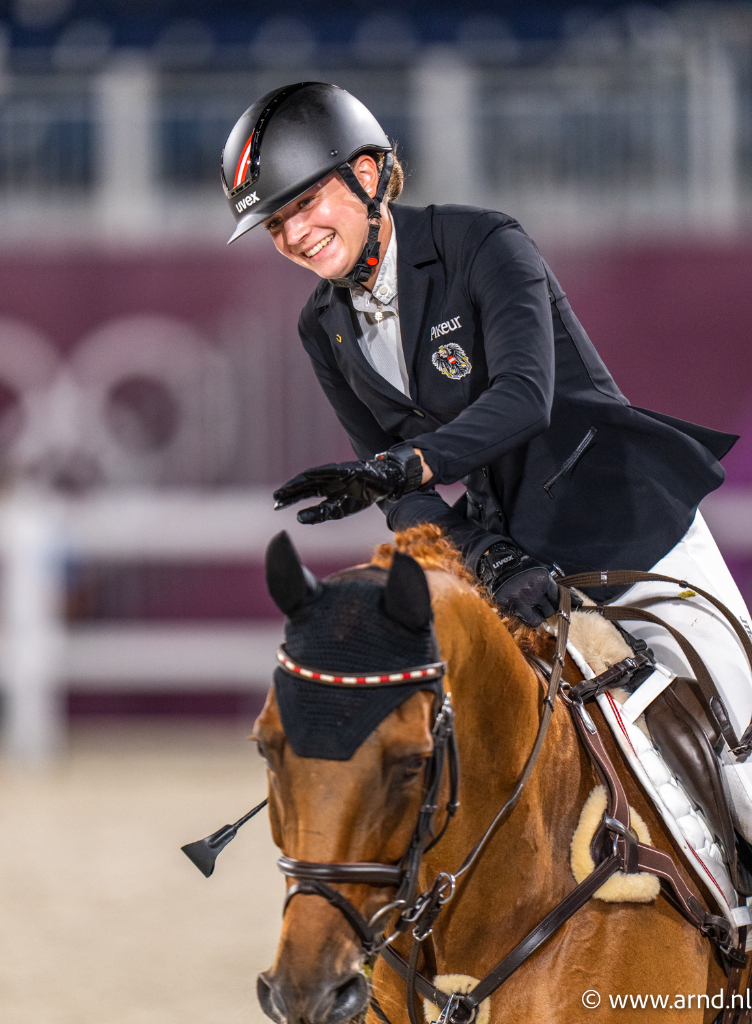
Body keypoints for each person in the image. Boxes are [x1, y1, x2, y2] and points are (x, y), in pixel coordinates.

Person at [221, 81, 752, 835]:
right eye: (275, 223)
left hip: (627, 520)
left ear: (366, 177)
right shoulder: (323, 326)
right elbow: (398, 493)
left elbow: (524, 398)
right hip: (515, 552)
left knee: (745, 755)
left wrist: (401, 468)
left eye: (303, 204)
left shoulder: (482, 243)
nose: (294, 234)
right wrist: (487, 556)